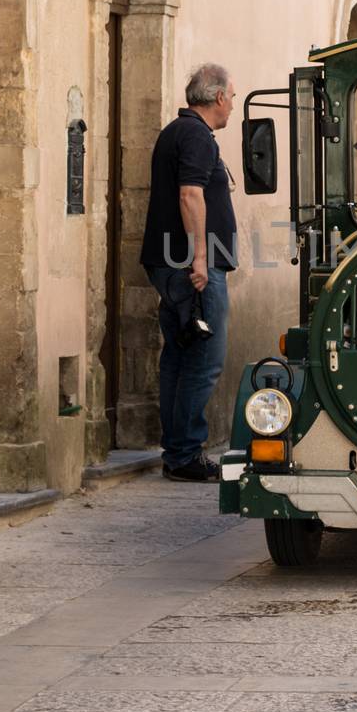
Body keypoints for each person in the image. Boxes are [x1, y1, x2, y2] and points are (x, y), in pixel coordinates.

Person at [139, 63, 237, 482]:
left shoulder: (178, 132)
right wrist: (200, 257)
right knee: (204, 358)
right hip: (192, 266)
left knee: (179, 357)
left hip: (172, 262)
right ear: (217, 97)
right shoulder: (196, 136)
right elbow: (190, 195)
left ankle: (177, 453)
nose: (233, 104)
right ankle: (185, 454)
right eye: (232, 96)